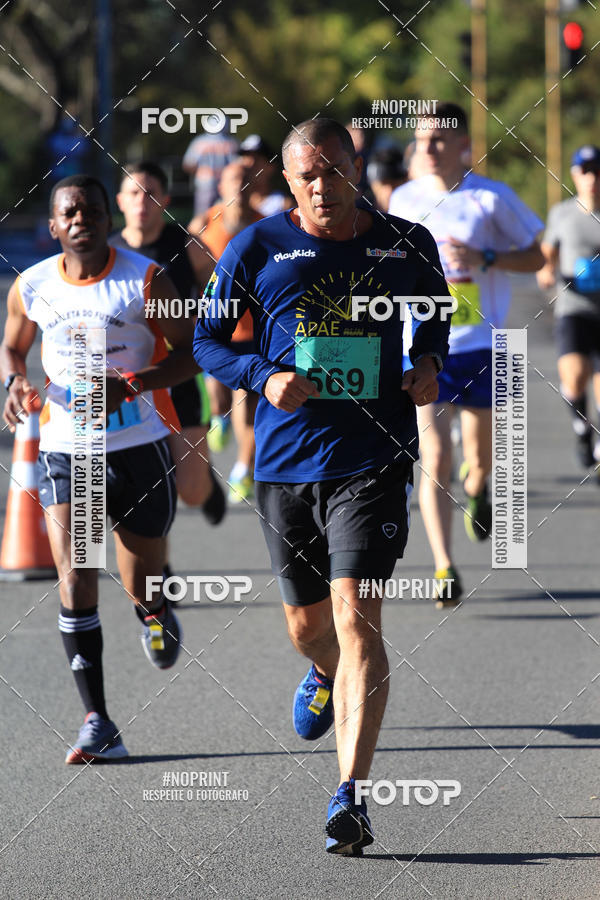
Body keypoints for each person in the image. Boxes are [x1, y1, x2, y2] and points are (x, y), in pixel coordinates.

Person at [193, 118, 451, 854]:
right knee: (310, 630)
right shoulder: (257, 247)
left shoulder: (406, 242)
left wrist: (428, 365)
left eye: (333, 171)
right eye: (307, 175)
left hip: (373, 456)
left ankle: (352, 797)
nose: (322, 187)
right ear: (288, 179)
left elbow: (436, 320)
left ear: (355, 166)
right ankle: (319, 674)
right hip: (285, 462)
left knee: (357, 617)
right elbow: (207, 340)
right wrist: (262, 374)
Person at [0, 175, 197, 763]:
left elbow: (193, 355)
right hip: (70, 453)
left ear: (108, 219)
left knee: (142, 583)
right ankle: (98, 722)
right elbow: (14, 345)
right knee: (77, 577)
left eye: (90, 210)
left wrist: (133, 383)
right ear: (54, 226)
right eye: (69, 213)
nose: (80, 219)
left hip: (139, 448)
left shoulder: (144, 279)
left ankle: (157, 612)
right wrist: (15, 379)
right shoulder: (32, 285)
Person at [389, 103, 544, 607]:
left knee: (477, 459)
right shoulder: (403, 198)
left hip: (481, 343)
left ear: (462, 146)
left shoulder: (490, 198)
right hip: (422, 348)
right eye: (421, 139)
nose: (428, 148)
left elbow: (538, 253)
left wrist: (486, 258)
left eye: (438, 139)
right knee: (434, 456)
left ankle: (478, 490)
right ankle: (443, 565)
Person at [111, 161, 226, 543]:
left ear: (164, 200)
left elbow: (222, 292)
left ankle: (204, 479)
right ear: (120, 201)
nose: (141, 202)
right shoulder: (110, 251)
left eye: (149, 194)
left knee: (191, 493)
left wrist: (206, 328)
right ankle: (156, 567)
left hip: (179, 372)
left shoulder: (186, 246)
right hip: (128, 383)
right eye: (133, 193)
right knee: (138, 490)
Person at [189, 160, 263, 502]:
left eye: (248, 180)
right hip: (218, 328)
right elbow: (186, 272)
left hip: (255, 330)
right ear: (221, 186)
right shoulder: (205, 223)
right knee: (219, 396)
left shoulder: (267, 225)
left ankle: (243, 468)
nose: (241, 186)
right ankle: (218, 416)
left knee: (247, 401)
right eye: (235, 179)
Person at [536, 145, 600, 471]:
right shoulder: (562, 213)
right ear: (575, 174)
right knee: (574, 379)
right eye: (585, 170)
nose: (592, 177)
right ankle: (581, 428)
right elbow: (547, 251)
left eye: (597, 170)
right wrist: (546, 269)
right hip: (573, 308)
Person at [182, 117, 239, 216]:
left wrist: (202, 171)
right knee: (226, 218)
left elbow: (187, 165)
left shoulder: (199, 141)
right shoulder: (233, 143)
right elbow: (240, 167)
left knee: (202, 221)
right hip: (227, 187)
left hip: (205, 186)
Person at [237, 134, 293, 216]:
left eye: (257, 160)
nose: (250, 165)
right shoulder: (229, 203)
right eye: (246, 158)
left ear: (271, 167)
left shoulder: (284, 206)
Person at [366, 147, 407, 212]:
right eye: (383, 184)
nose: (389, 191)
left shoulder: (414, 214)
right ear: (372, 184)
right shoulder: (357, 215)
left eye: (395, 184)